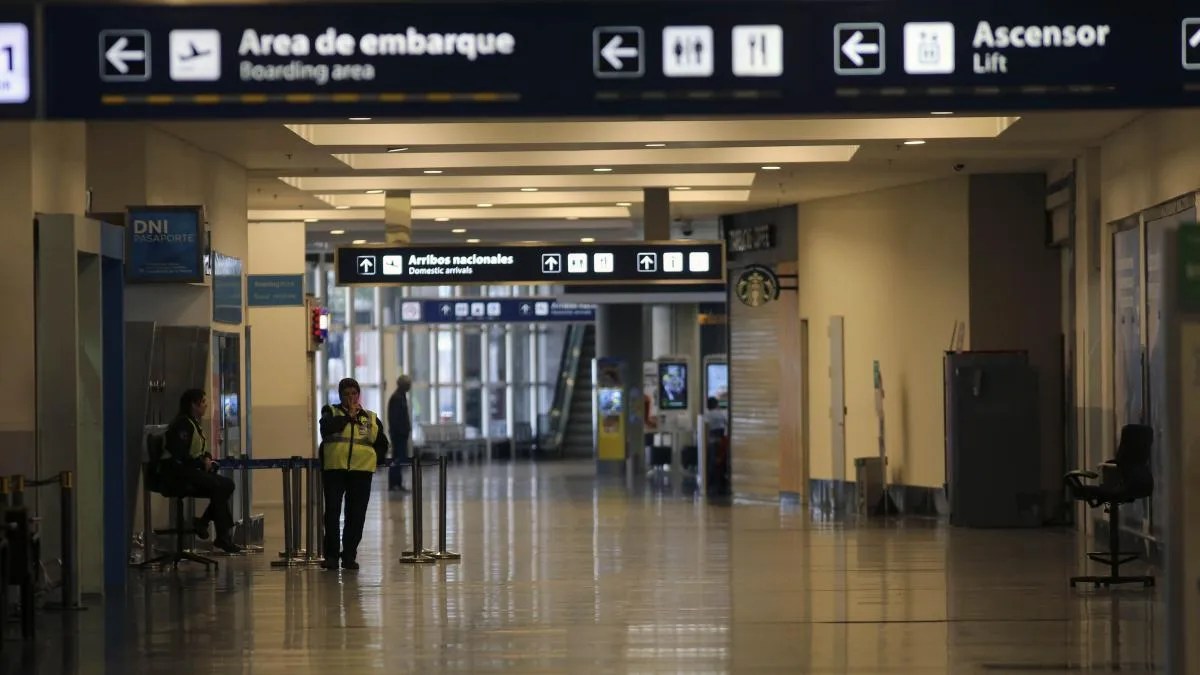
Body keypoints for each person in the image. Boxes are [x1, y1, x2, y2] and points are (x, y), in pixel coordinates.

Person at [319, 377, 389, 570]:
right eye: (346, 394)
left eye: (354, 393)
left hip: (361, 472)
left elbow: (380, 442)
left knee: (356, 515)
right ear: (340, 396)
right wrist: (347, 416)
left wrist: (375, 458)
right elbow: (326, 429)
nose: (351, 397)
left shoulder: (370, 417)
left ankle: (349, 555)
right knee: (332, 513)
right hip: (335, 470)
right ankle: (331, 555)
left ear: (359, 395)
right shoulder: (330, 412)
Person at [162, 389, 242, 553]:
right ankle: (221, 534)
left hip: (193, 471)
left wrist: (206, 458)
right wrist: (200, 463)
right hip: (180, 474)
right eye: (203, 402)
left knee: (226, 485)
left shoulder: (194, 424)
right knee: (220, 486)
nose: (206, 406)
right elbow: (181, 454)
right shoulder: (183, 425)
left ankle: (206, 524)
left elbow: (199, 448)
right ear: (194, 404)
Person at [386, 375, 413, 492]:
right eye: (408, 384)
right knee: (397, 459)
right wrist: (399, 431)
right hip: (398, 435)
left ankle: (398, 483)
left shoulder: (402, 396)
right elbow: (394, 418)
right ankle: (394, 484)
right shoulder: (396, 398)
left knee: (400, 459)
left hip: (401, 434)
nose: (409, 386)